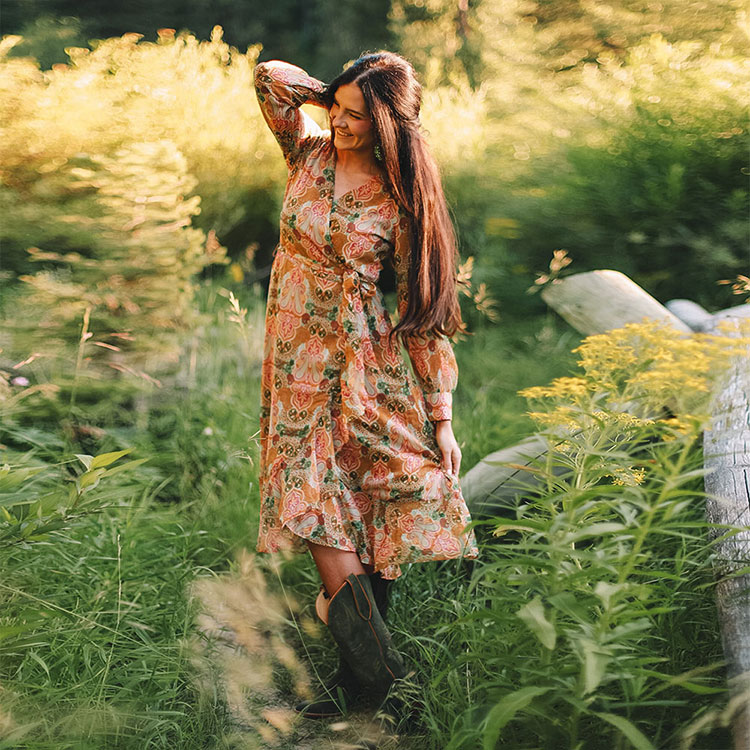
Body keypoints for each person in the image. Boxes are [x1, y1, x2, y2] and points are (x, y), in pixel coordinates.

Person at [253, 51, 479, 719]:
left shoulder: (399, 199)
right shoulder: (308, 155)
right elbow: (268, 76)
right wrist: (338, 92)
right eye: (339, 111)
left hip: (363, 365)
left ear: (389, 126)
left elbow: (423, 315)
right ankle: (379, 690)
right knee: (317, 505)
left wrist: (440, 416)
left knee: (358, 509)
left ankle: (375, 691)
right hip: (295, 363)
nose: (342, 123)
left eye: (359, 116)